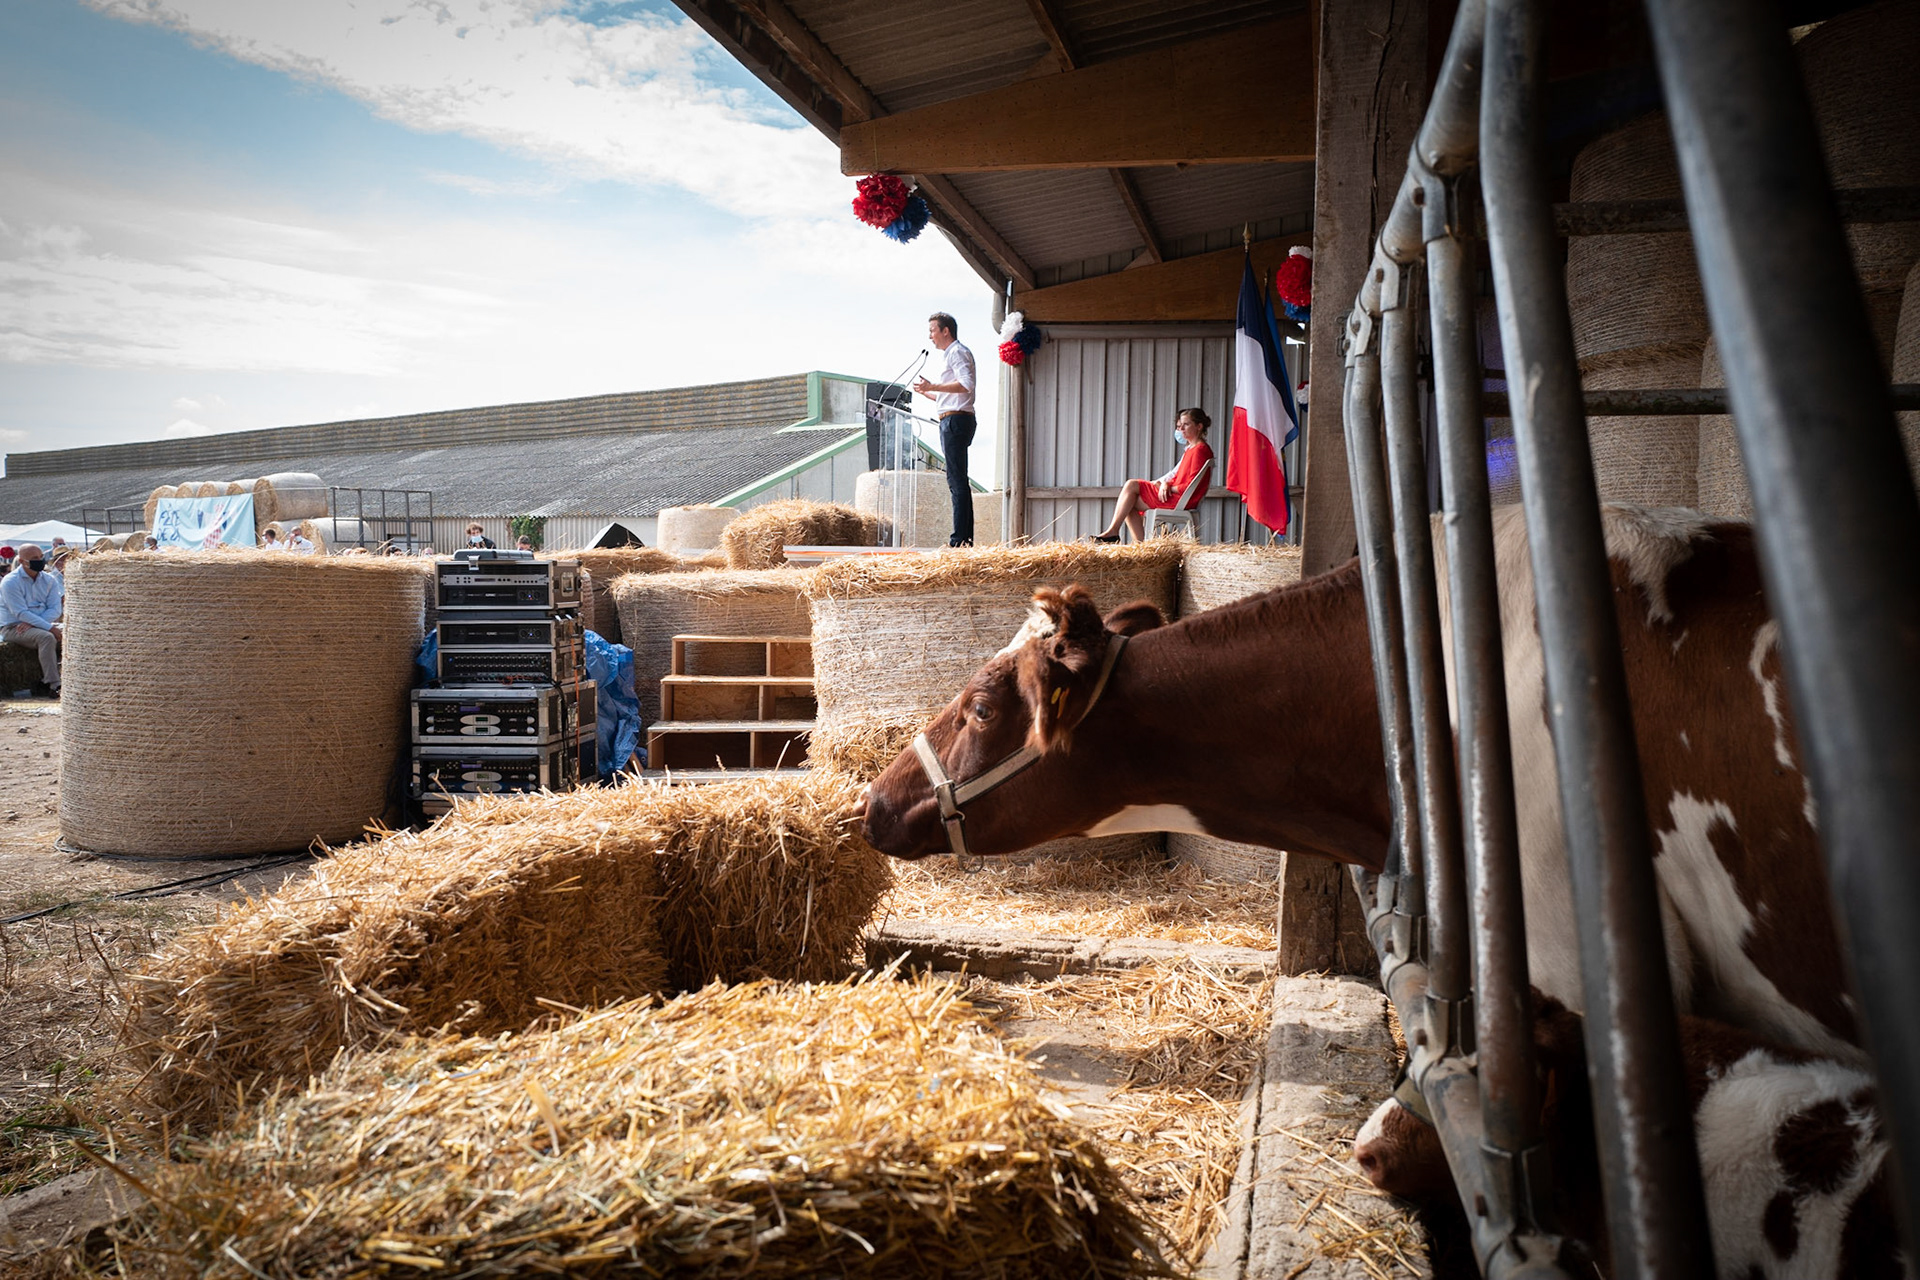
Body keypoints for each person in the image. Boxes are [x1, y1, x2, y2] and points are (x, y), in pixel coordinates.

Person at [1090, 407, 1216, 543]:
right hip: (1178, 496)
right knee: (1129, 504)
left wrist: (1168, 486)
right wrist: (1164, 483)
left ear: (1199, 426)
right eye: (1180, 426)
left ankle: (1113, 533)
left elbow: (1189, 486)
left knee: (1131, 484)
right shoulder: (1192, 449)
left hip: (1181, 498)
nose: (1182, 429)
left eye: (1186, 425)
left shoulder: (1200, 450)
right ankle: (1139, 545)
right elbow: (1177, 476)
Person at [911, 312, 977, 547]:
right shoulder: (951, 354)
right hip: (955, 418)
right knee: (958, 480)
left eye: (932, 330)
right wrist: (928, 391)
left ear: (945, 330)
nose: (930, 336)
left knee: (956, 481)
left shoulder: (957, 352)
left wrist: (934, 385)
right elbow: (949, 396)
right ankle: (964, 538)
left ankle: (960, 540)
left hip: (956, 421)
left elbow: (966, 385)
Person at [0, 544, 64, 697]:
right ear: (22, 561)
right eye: (35, 558)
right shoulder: (10, 582)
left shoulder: (49, 580)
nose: (40, 560)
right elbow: (20, 612)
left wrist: (35, 622)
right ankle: (54, 684)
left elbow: (56, 609)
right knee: (47, 638)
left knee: (72, 633)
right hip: (13, 627)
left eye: (41, 556)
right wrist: (48, 627)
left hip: (33, 624)